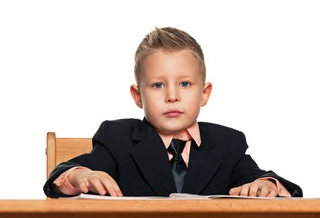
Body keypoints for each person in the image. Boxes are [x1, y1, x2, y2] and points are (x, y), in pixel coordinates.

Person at [44, 27, 303, 198]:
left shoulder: (228, 144)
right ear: (137, 97)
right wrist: (82, 175)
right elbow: (63, 173)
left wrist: (267, 186)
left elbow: (265, 180)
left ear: (204, 93)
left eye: (185, 84)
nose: (172, 96)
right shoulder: (118, 139)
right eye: (158, 85)